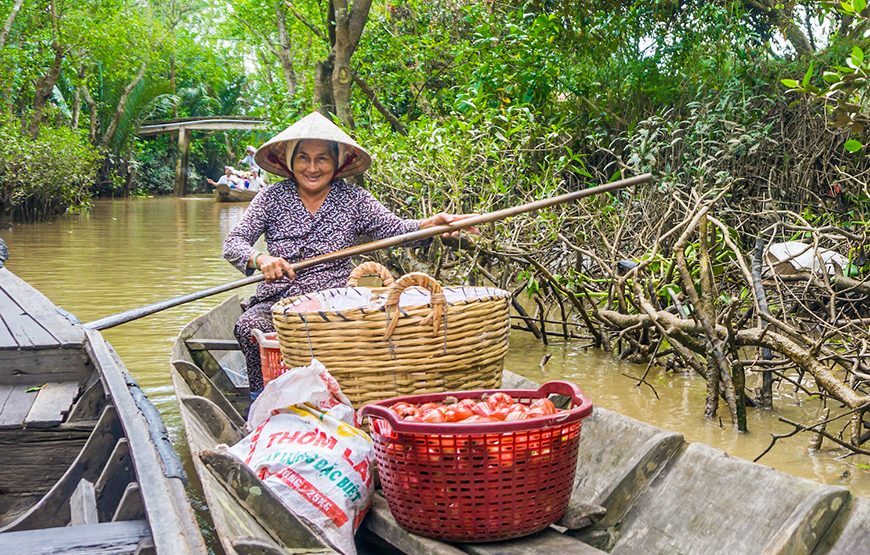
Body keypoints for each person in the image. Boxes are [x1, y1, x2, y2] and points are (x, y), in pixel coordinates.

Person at [223, 111, 475, 395]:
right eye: (303, 158)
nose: (312, 168)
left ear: (337, 163)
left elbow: (396, 231)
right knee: (248, 327)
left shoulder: (355, 199)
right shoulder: (271, 197)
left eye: (322, 159)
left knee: (374, 334)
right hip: (279, 300)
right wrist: (261, 259)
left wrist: (429, 226)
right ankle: (262, 402)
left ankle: (351, 398)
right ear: (290, 162)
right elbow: (234, 243)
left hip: (337, 300)